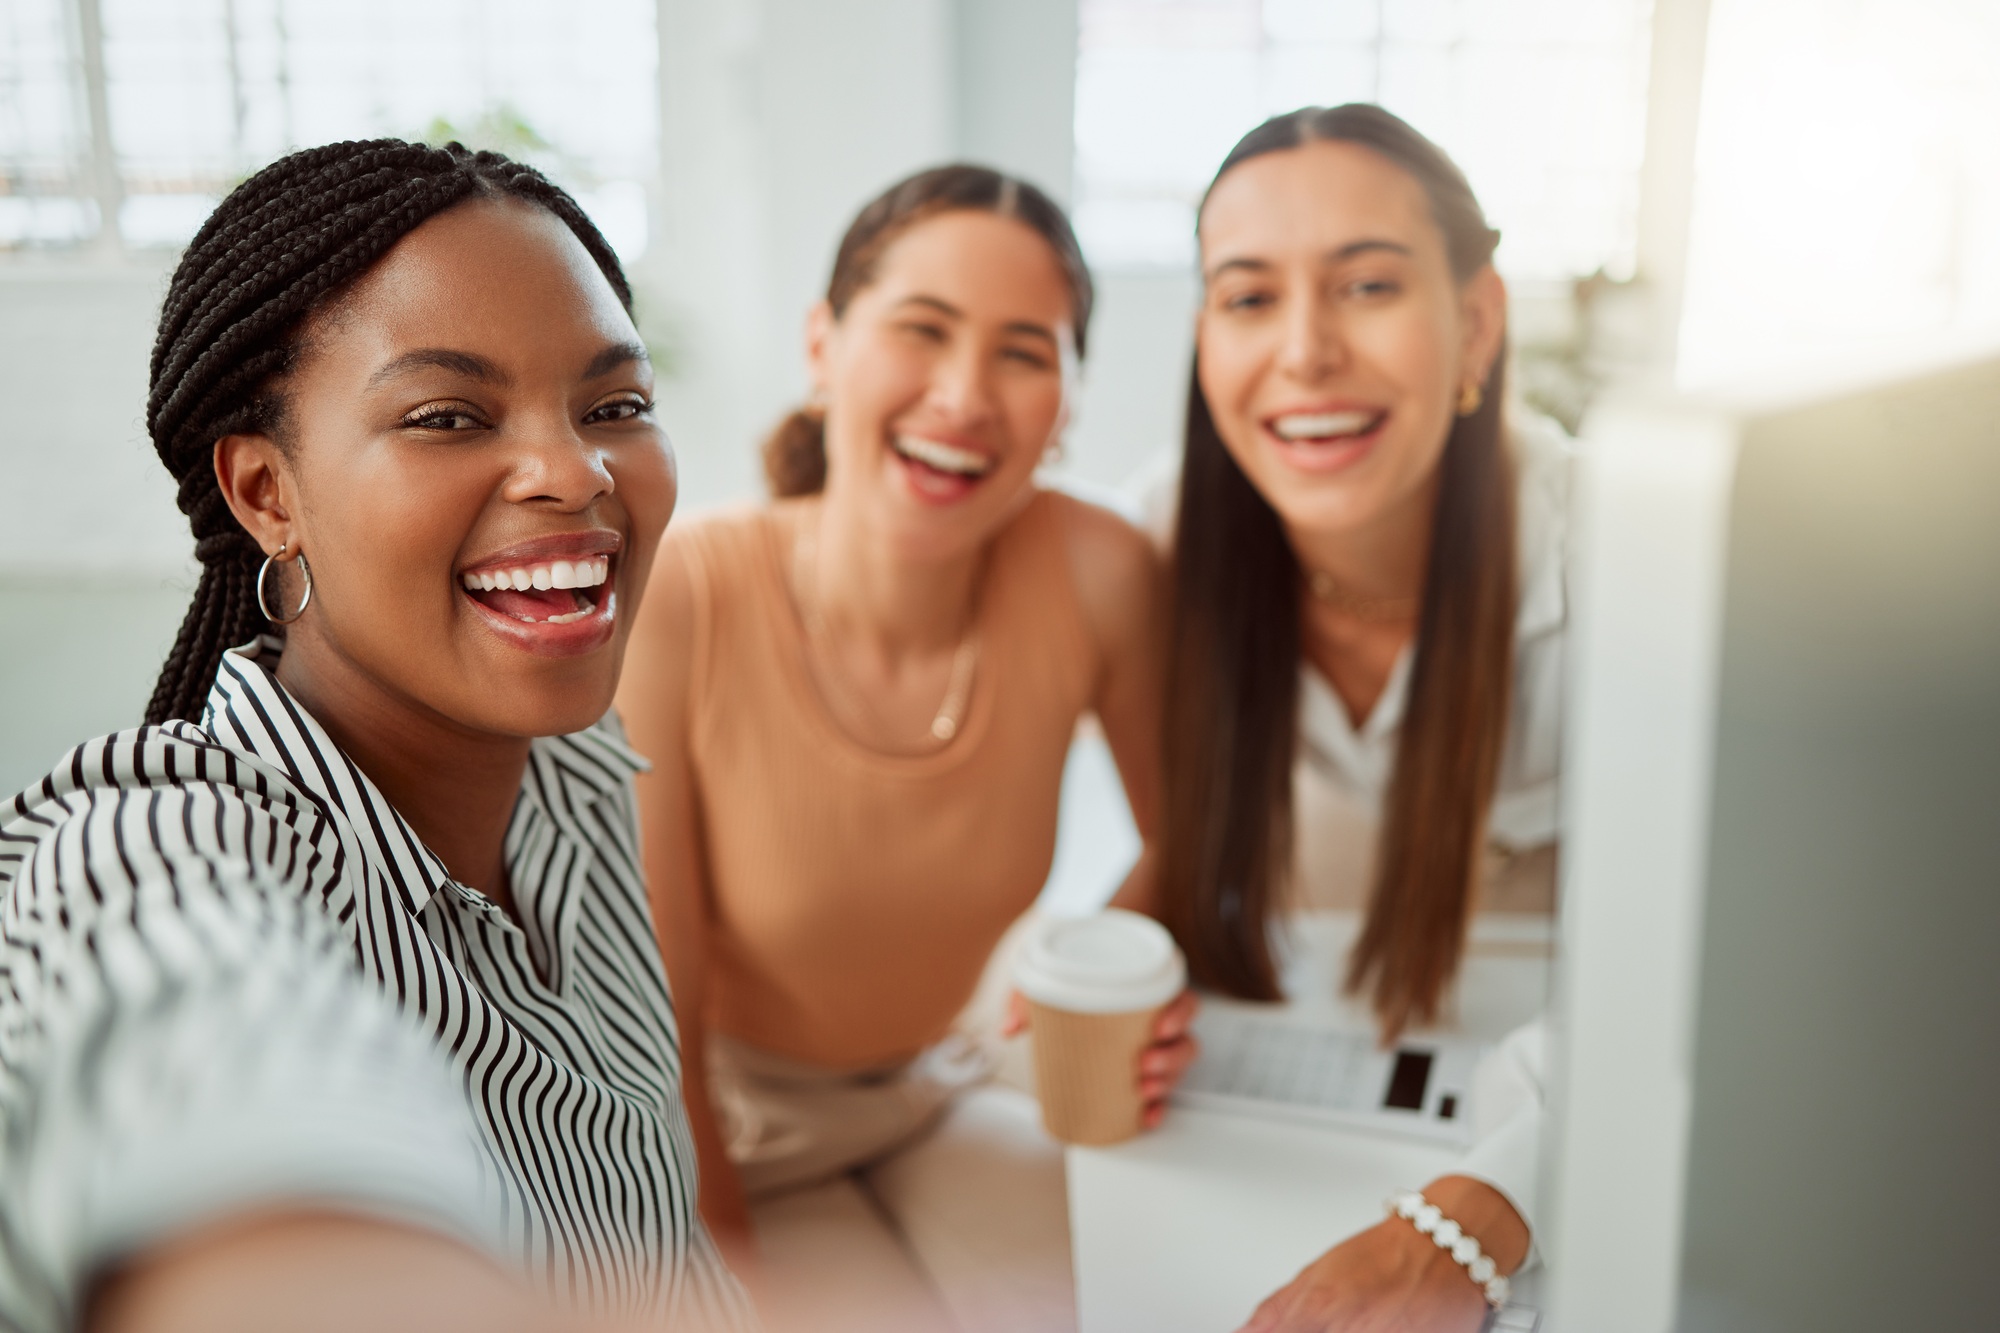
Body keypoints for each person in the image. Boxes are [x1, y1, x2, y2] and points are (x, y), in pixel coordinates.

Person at [0, 140, 747, 1332]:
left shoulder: (579, 765)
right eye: (447, 415)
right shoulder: (152, 849)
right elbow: (232, 1153)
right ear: (265, 493)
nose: (573, 468)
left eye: (616, 404)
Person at [618, 165, 1193, 1333]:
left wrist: (1112, 972)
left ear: (1070, 399)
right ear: (824, 345)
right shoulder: (686, 588)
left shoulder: (1098, 571)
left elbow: (1187, 827)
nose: (964, 394)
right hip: (716, 1124)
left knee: (1148, 1298)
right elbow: (649, 1006)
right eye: (921, 331)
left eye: (1025, 353)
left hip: (941, 1085)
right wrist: (712, 1248)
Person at [1156, 105, 1566, 1331]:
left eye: (1367, 285)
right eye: (1245, 298)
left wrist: (1468, 1221)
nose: (1304, 351)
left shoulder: (1619, 563)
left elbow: (1717, 983)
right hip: (1279, 1120)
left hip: (1521, 1136)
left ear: (1475, 322)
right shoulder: (1149, 549)